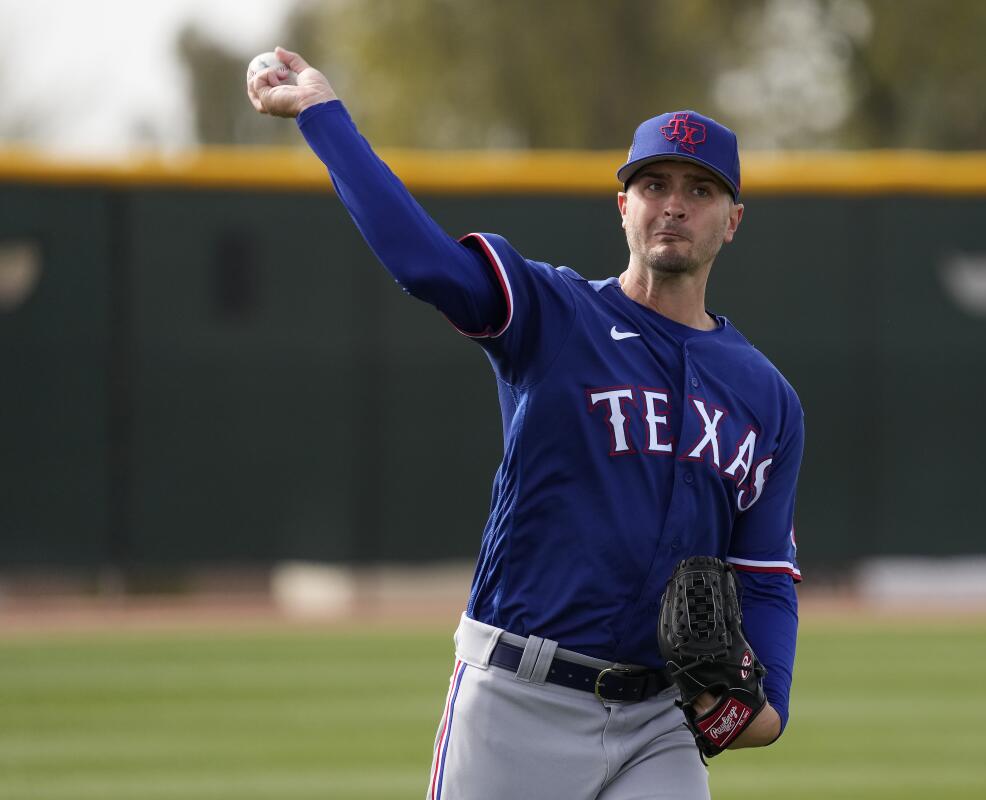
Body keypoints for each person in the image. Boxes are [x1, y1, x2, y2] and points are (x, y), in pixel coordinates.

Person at [247, 47, 804, 800]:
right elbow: (423, 263)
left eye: (700, 190)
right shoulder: (553, 313)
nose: (674, 203)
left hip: (659, 728)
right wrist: (322, 114)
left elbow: (765, 576)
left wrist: (765, 710)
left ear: (732, 220)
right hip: (516, 699)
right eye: (654, 184)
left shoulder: (766, 396)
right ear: (624, 207)